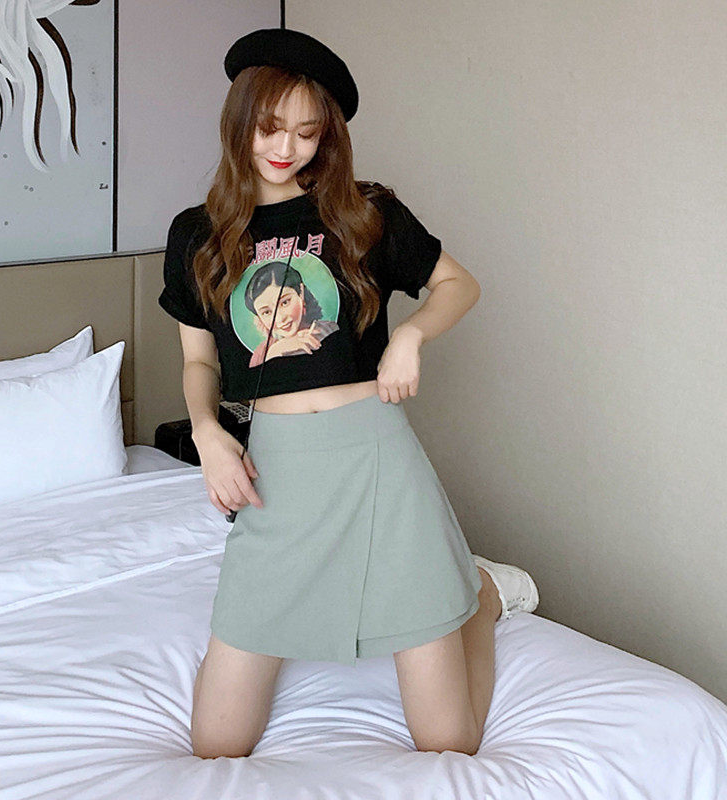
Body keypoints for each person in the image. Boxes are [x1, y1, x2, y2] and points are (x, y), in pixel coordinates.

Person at [157, 27, 540, 760]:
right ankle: (468, 586)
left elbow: (458, 284)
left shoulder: (363, 213)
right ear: (240, 122)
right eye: (270, 128)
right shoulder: (196, 234)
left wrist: (410, 336)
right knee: (217, 742)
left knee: (448, 741)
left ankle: (480, 597)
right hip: (276, 472)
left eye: (307, 133)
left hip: (375, 459)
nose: (287, 148)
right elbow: (199, 360)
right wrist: (207, 433)